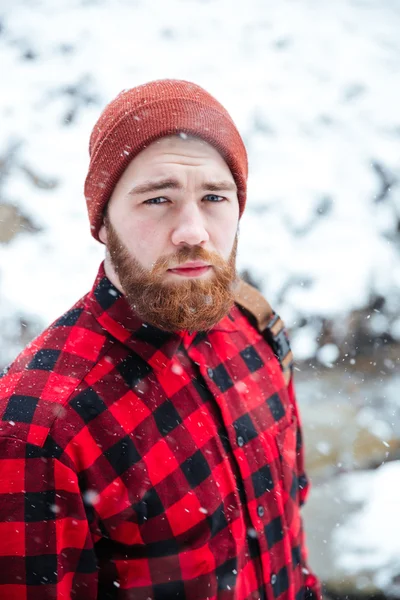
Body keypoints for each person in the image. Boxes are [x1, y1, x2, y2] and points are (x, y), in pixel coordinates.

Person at [0, 79, 320, 600]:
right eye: (157, 199)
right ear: (103, 221)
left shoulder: (255, 327)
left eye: (214, 196)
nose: (192, 230)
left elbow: (290, 522)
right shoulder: (39, 426)